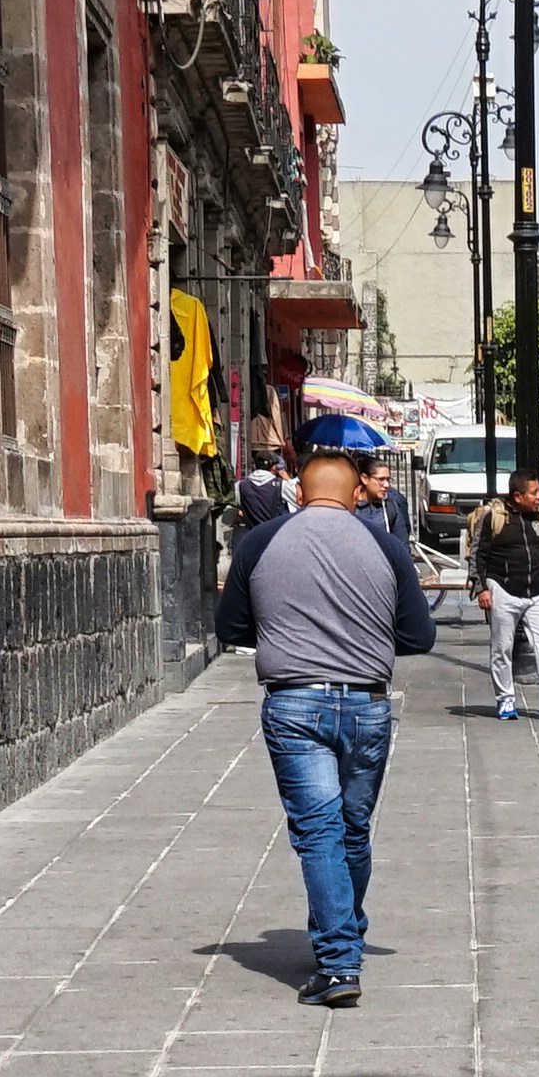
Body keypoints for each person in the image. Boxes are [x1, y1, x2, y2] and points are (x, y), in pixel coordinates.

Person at [210, 410, 441, 1008]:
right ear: (353, 489)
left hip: (294, 703)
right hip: (366, 706)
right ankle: (347, 936)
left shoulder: (261, 541)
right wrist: (362, 637)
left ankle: (339, 963)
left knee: (318, 834)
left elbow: (230, 626)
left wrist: (286, 627)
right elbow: (419, 637)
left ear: (301, 485)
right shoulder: (385, 546)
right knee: (352, 831)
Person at [474, 477, 539, 721]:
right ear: (517, 497)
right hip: (503, 588)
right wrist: (481, 588)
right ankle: (505, 699)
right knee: (502, 647)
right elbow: (478, 555)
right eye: (534, 493)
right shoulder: (494, 518)